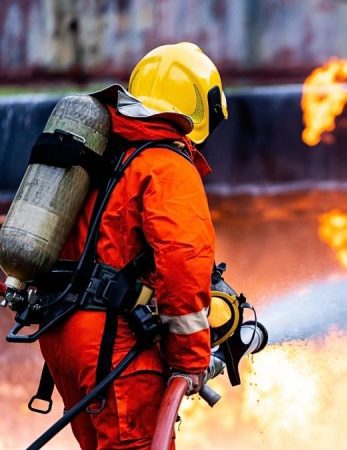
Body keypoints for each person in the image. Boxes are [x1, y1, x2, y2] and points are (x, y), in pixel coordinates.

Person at [37, 42, 227, 449]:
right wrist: (191, 359)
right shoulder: (166, 164)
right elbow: (182, 259)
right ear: (200, 105)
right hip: (113, 340)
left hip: (62, 331)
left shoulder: (104, 152)